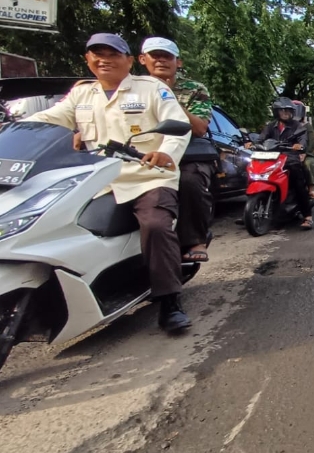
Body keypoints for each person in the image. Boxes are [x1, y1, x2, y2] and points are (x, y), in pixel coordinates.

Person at [28, 33, 193, 331]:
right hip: (98, 182)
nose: (104, 60)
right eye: (97, 54)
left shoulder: (151, 88)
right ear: (87, 59)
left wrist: (166, 153)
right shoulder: (81, 94)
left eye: (113, 54)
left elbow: (177, 125)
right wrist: (13, 126)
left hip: (148, 178)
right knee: (57, 226)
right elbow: (47, 120)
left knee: (156, 225)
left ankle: (170, 301)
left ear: (129, 61)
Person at [139, 37, 216, 266]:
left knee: (190, 181)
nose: (161, 61)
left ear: (178, 62)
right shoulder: (133, 87)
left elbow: (200, 128)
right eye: (155, 56)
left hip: (185, 155)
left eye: (167, 56)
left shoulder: (194, 89)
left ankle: (195, 241)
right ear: (142, 59)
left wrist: (168, 99)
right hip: (140, 153)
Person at [254, 98, 314, 228]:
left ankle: (307, 216)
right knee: (255, 175)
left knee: (298, 183)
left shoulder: (298, 126)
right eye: (282, 110)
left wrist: (299, 146)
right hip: (271, 157)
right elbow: (261, 139)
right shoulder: (271, 126)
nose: (285, 113)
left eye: (288, 110)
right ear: (277, 112)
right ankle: (251, 210)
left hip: (290, 158)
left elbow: (303, 140)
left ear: (292, 112)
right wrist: (253, 144)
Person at [293, 100, 314, 199]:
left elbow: (312, 142)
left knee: (308, 164)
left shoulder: (307, 126)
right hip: (288, 153)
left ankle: (311, 189)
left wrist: (305, 153)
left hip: (306, 154)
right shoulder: (283, 126)